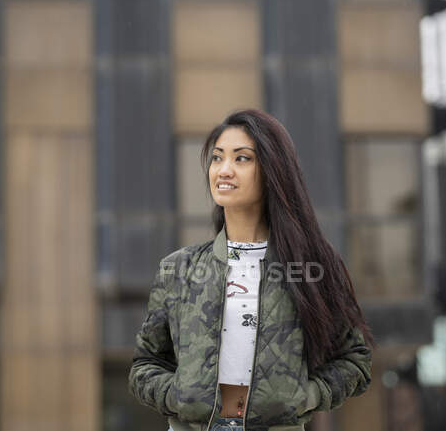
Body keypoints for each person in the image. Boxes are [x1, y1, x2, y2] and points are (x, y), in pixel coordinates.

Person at [128, 109, 373, 431]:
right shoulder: (180, 268)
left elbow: (355, 361)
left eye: (242, 159)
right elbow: (145, 363)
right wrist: (179, 396)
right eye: (217, 158)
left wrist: (305, 396)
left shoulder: (312, 267)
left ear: (272, 170)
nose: (224, 170)